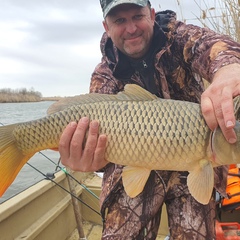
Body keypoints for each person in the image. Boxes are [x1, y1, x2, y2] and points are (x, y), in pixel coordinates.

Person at [59, 0, 240, 239]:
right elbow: (102, 158)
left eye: (137, 16)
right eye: (120, 20)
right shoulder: (104, 76)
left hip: (192, 164)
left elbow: (215, 47)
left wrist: (230, 69)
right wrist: (88, 160)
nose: (131, 28)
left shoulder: (179, 37)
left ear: (152, 15)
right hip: (130, 164)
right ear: (106, 26)